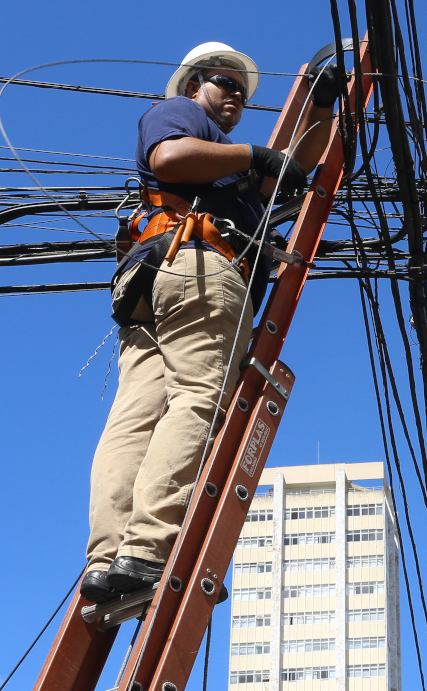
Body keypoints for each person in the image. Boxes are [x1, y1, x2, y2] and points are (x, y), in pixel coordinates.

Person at [81, 42, 347, 601]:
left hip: (154, 281)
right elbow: (170, 158)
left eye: (242, 92)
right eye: (225, 83)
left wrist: (321, 108)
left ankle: (109, 560)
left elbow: (288, 170)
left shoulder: (224, 167)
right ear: (194, 84)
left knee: (136, 419)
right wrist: (253, 155)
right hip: (195, 266)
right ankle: (148, 549)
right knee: (200, 395)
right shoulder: (181, 116)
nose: (235, 97)